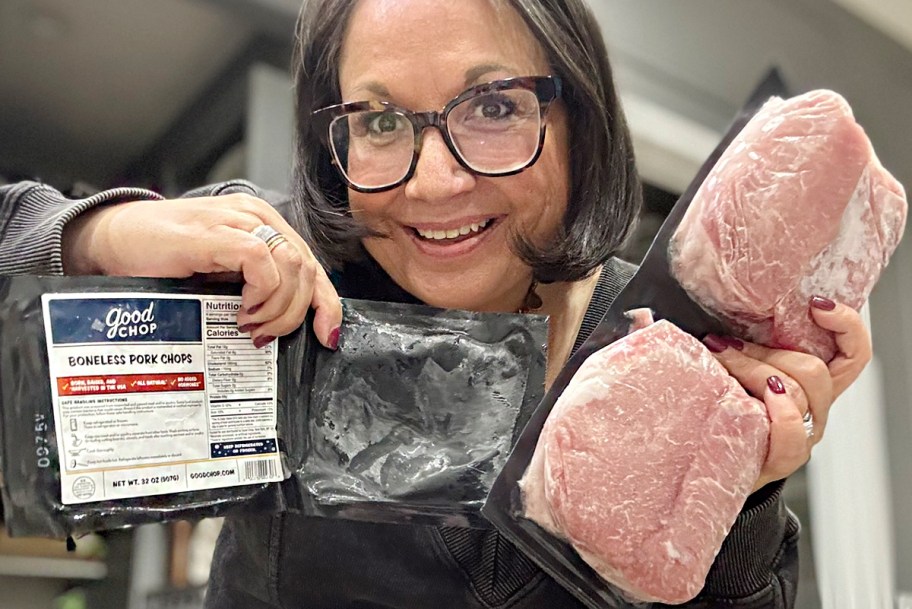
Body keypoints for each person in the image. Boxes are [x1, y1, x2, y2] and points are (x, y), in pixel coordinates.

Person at [0, 0, 871, 607]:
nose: (436, 179)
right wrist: (92, 238)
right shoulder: (282, 277)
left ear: (579, 117)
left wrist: (737, 490)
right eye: (379, 120)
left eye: (493, 104)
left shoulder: (659, 343)